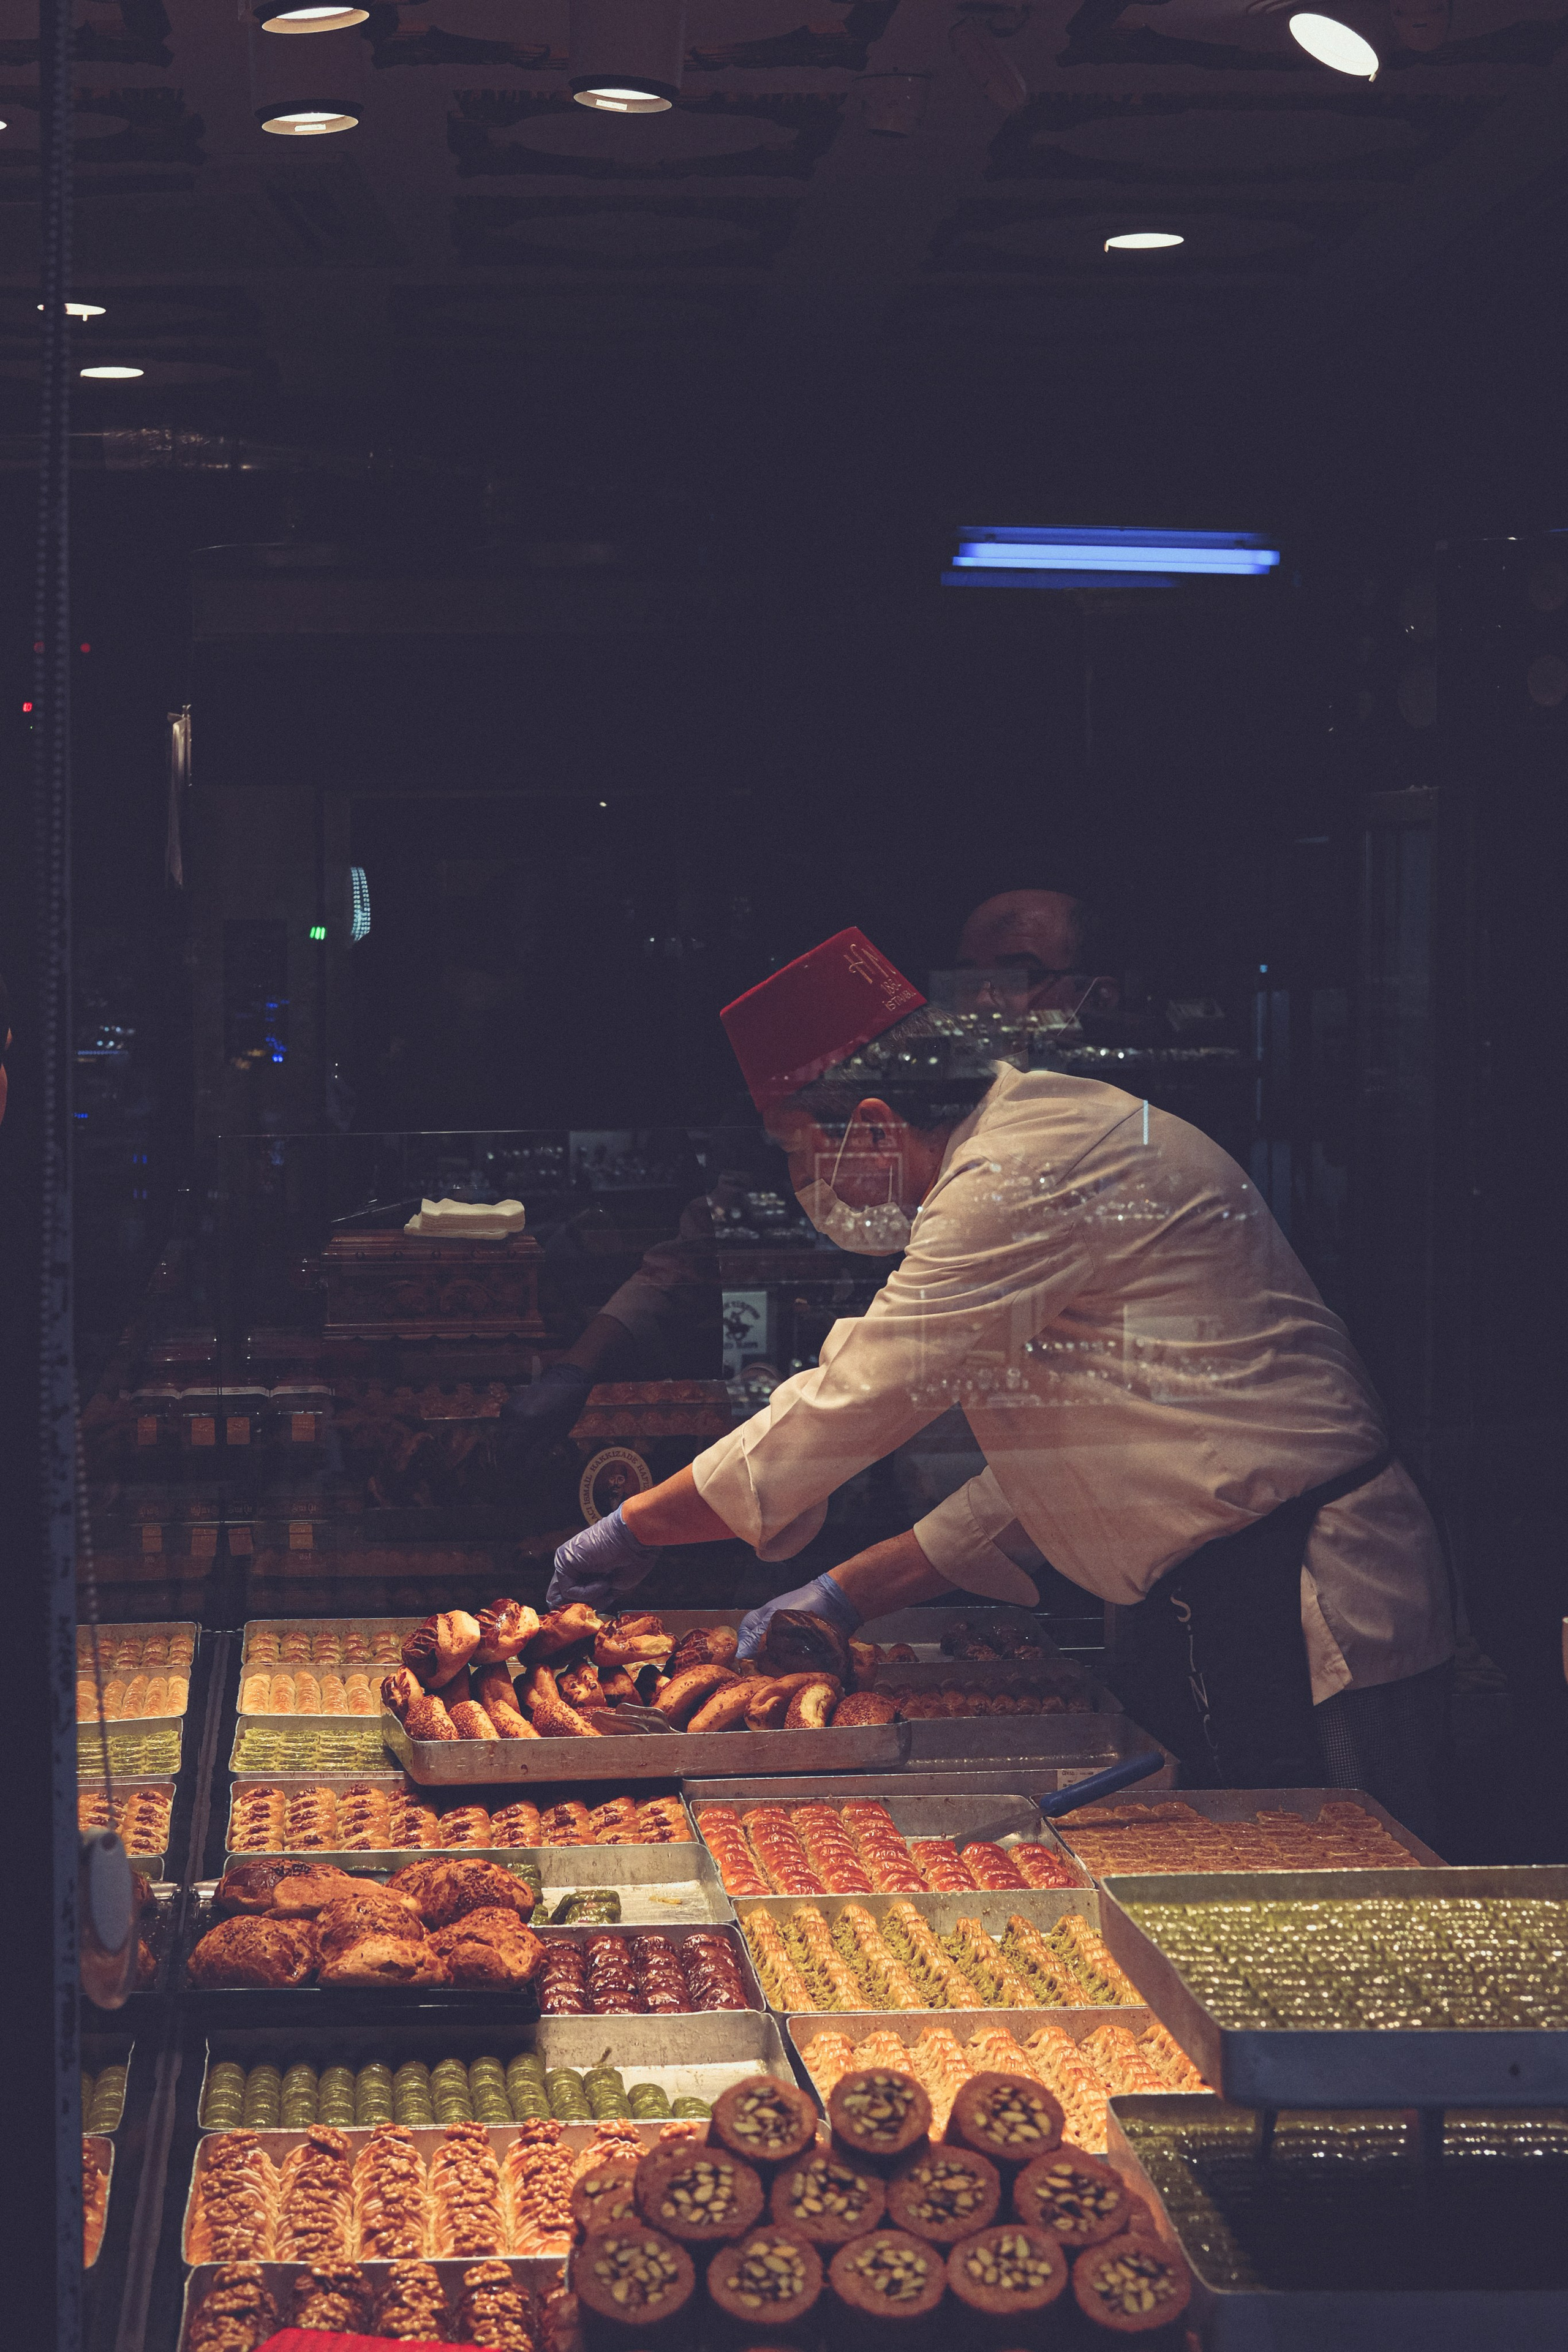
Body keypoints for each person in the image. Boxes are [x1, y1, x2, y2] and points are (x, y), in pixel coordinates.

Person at [548, 927, 1455, 1826]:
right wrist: (848, 1592)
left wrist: (635, 1528)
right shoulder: (1021, 1144)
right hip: (1204, 1596)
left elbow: (853, 1401)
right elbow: (1068, 1461)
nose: (798, 1183)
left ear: (870, 1122)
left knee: (1336, 1884)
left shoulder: (1017, 1170)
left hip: (1298, 1596)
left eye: (795, 1148)